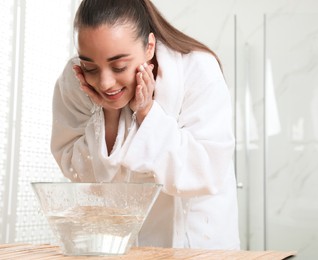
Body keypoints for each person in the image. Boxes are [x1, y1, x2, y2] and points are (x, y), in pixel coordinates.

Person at [51, 0, 240, 250]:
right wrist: (109, 114)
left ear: (149, 47)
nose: (105, 83)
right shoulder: (74, 81)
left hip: (198, 245)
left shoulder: (198, 69)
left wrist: (146, 113)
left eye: (119, 66)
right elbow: (78, 174)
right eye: (90, 67)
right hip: (118, 245)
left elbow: (206, 169)